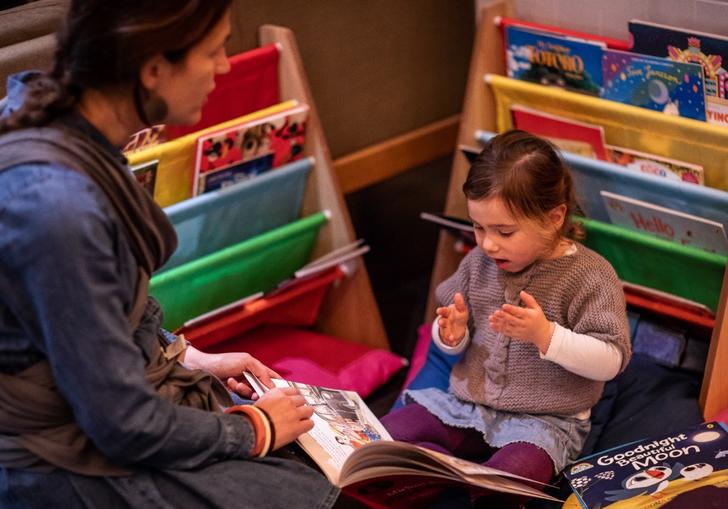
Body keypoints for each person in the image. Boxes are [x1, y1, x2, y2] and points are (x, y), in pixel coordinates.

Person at [0, 2, 342, 508]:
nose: (225, 67)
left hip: (103, 410)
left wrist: (189, 356)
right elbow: (122, 423)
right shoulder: (57, 210)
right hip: (60, 458)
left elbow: (97, 320)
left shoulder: (62, 125)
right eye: (212, 51)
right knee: (312, 493)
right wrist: (253, 430)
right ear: (154, 69)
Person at [382, 130, 632, 506]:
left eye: (504, 231)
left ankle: (463, 482)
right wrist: (451, 334)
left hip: (545, 422)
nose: (487, 243)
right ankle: (436, 471)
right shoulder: (477, 263)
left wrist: (546, 335)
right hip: (466, 404)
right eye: (478, 227)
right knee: (387, 436)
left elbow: (611, 360)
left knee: (508, 481)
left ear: (554, 218)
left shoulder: (590, 275)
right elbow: (448, 328)